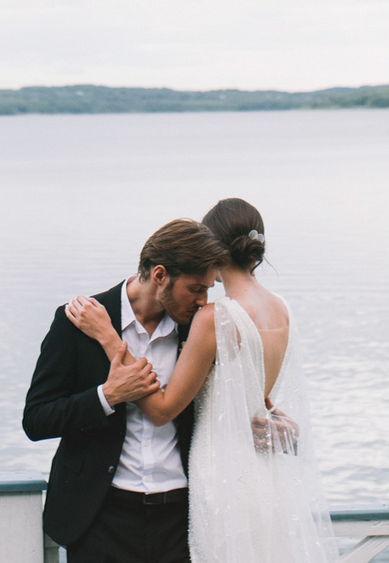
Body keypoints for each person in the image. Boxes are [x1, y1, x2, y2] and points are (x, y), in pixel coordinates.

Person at [62, 200, 338, 563]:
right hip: (265, 477)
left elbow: (162, 409)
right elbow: (258, 396)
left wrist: (111, 338)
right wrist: (280, 424)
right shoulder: (280, 307)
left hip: (221, 471)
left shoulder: (215, 318)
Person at [23, 219, 228, 563]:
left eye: (208, 289)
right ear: (160, 275)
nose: (203, 301)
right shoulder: (77, 321)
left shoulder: (199, 330)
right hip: (99, 517)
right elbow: (37, 420)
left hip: (180, 518)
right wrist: (106, 397)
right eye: (196, 289)